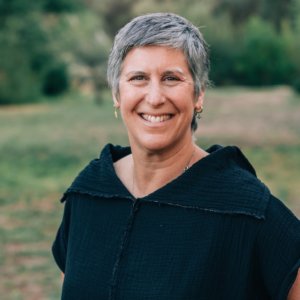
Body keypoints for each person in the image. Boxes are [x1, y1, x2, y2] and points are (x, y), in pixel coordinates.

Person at [52, 12, 300, 299]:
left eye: (171, 78)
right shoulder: (90, 192)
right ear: (117, 95)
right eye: (138, 78)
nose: (155, 97)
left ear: (199, 95)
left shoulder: (246, 207)